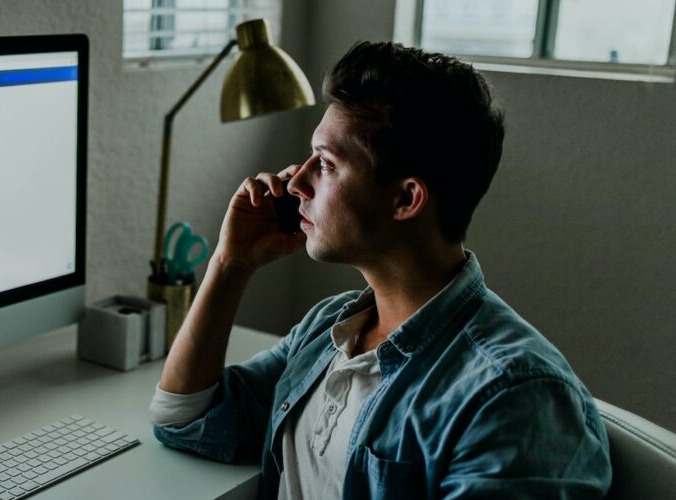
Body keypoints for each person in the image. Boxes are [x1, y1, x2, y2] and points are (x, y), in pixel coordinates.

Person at [150, 41, 612, 499]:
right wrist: (231, 265)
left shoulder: (514, 398)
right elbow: (184, 419)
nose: (296, 181)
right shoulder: (329, 330)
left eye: (327, 164)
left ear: (406, 199)